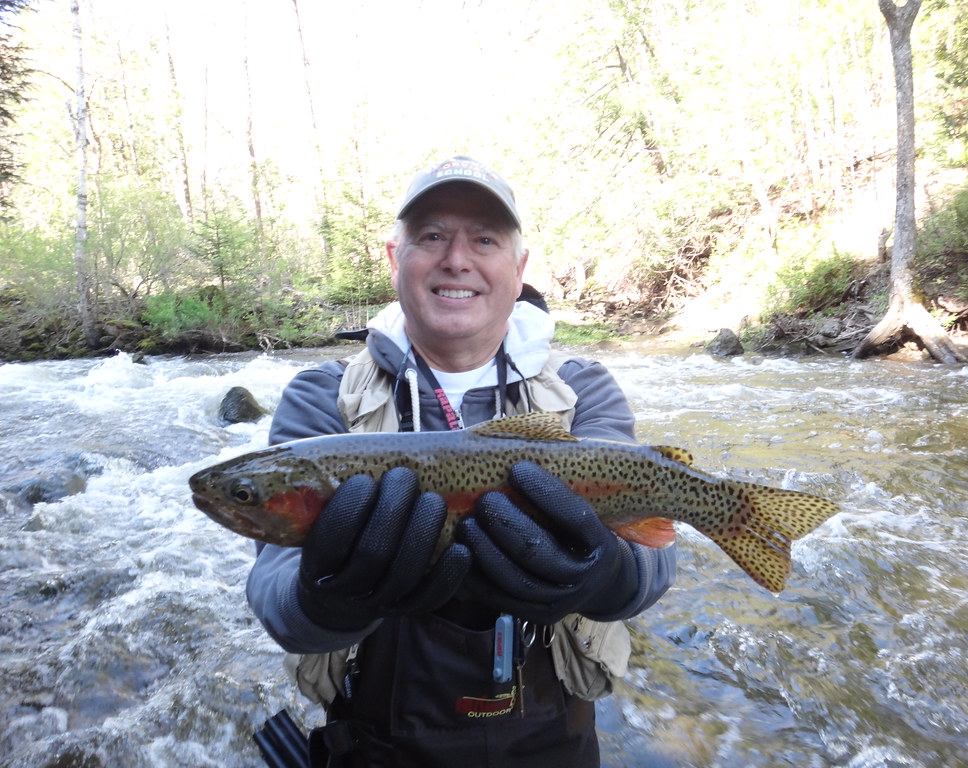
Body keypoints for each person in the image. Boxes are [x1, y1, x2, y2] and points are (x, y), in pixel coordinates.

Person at [246, 155, 676, 767]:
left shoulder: (583, 389)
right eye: (431, 236)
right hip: (379, 742)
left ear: (518, 269)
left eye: (484, 239)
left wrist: (605, 573)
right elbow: (273, 594)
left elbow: (656, 551)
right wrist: (326, 599)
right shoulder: (322, 399)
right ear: (395, 259)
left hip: (552, 737)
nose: (456, 259)